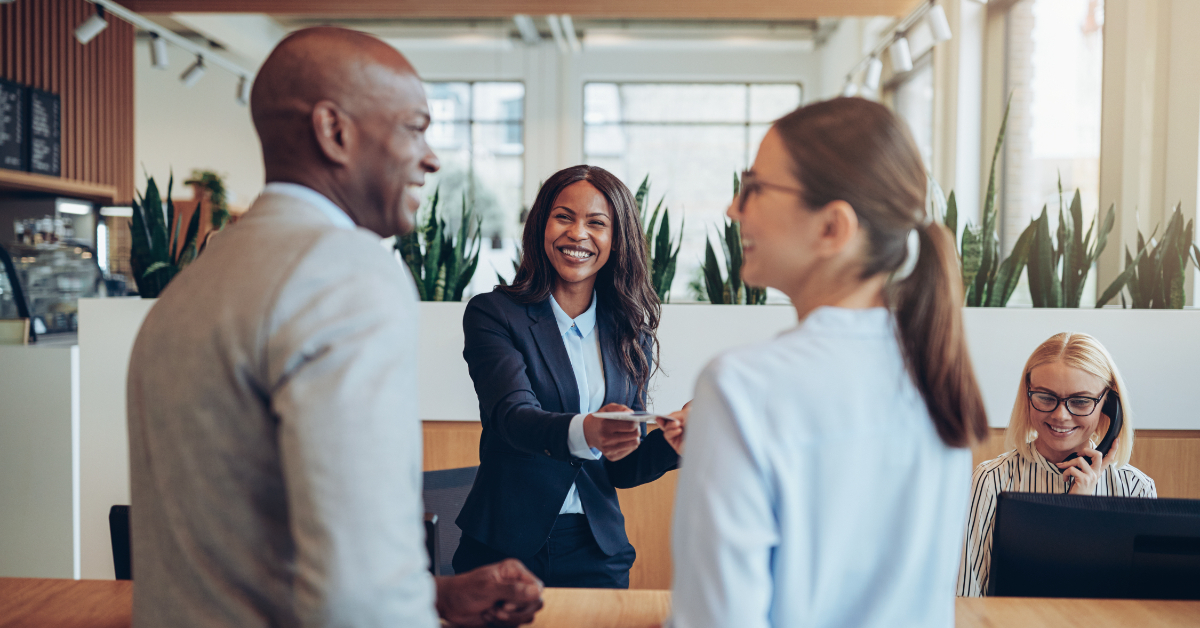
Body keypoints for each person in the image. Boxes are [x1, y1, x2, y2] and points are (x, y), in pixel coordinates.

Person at [126, 27, 542, 628]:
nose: (432, 158)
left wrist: (432, 593)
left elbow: (239, 544)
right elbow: (360, 596)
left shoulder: (193, 283)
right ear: (335, 132)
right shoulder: (347, 273)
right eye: (414, 127)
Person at [667, 97, 990, 628]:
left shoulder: (742, 388)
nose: (733, 209)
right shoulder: (937, 377)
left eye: (753, 188)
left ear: (832, 228)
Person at [452, 165, 686, 589]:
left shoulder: (629, 334)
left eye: (597, 223)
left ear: (616, 241)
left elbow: (621, 467)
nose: (577, 233)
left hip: (597, 550)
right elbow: (512, 416)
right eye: (564, 217)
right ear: (541, 226)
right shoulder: (494, 314)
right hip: (504, 550)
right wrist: (588, 430)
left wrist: (670, 445)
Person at [957, 331, 1156, 597]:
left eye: (1081, 401)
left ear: (1109, 405)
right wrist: (1071, 509)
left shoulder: (1135, 489)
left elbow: (1142, 607)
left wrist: (1084, 503)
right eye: (1045, 397)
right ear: (1027, 396)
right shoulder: (991, 480)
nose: (1061, 415)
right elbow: (966, 596)